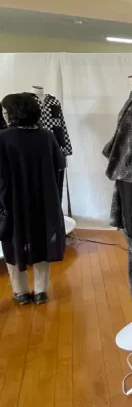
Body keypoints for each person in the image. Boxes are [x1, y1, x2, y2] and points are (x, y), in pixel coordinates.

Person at [0, 92, 66, 304]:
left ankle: (20, 293)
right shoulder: (47, 136)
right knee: (42, 242)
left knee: (12, 244)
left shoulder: (2, 137)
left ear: (13, 112)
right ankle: (40, 292)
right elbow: (59, 165)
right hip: (44, 201)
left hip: (13, 203)